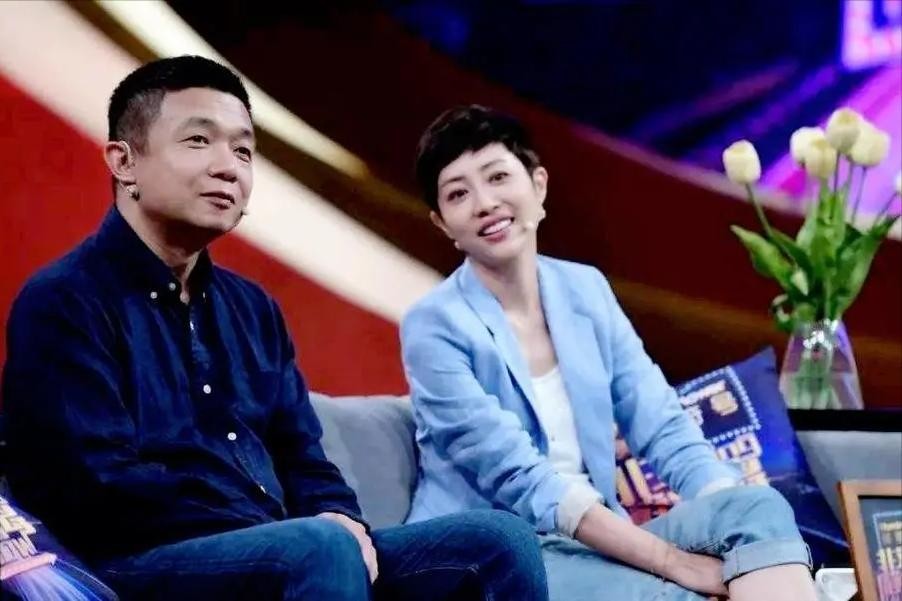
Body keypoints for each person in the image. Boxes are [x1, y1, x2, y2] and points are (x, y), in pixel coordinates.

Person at [2, 58, 548, 601]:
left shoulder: (252, 308)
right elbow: (96, 486)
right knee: (319, 548)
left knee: (498, 541)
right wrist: (281, 531)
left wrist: (339, 517)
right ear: (124, 162)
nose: (229, 168)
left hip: (282, 549)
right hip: (135, 564)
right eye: (199, 141)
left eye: (243, 150)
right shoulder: (64, 301)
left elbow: (303, 455)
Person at [400, 104, 818, 601]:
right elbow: (523, 480)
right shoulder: (434, 326)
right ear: (442, 223)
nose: (485, 203)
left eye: (498, 177)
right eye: (458, 194)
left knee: (758, 509)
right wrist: (673, 563)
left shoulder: (586, 290)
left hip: (594, 540)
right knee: (678, 596)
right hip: (500, 555)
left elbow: (659, 423)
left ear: (538, 185)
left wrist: (723, 511)